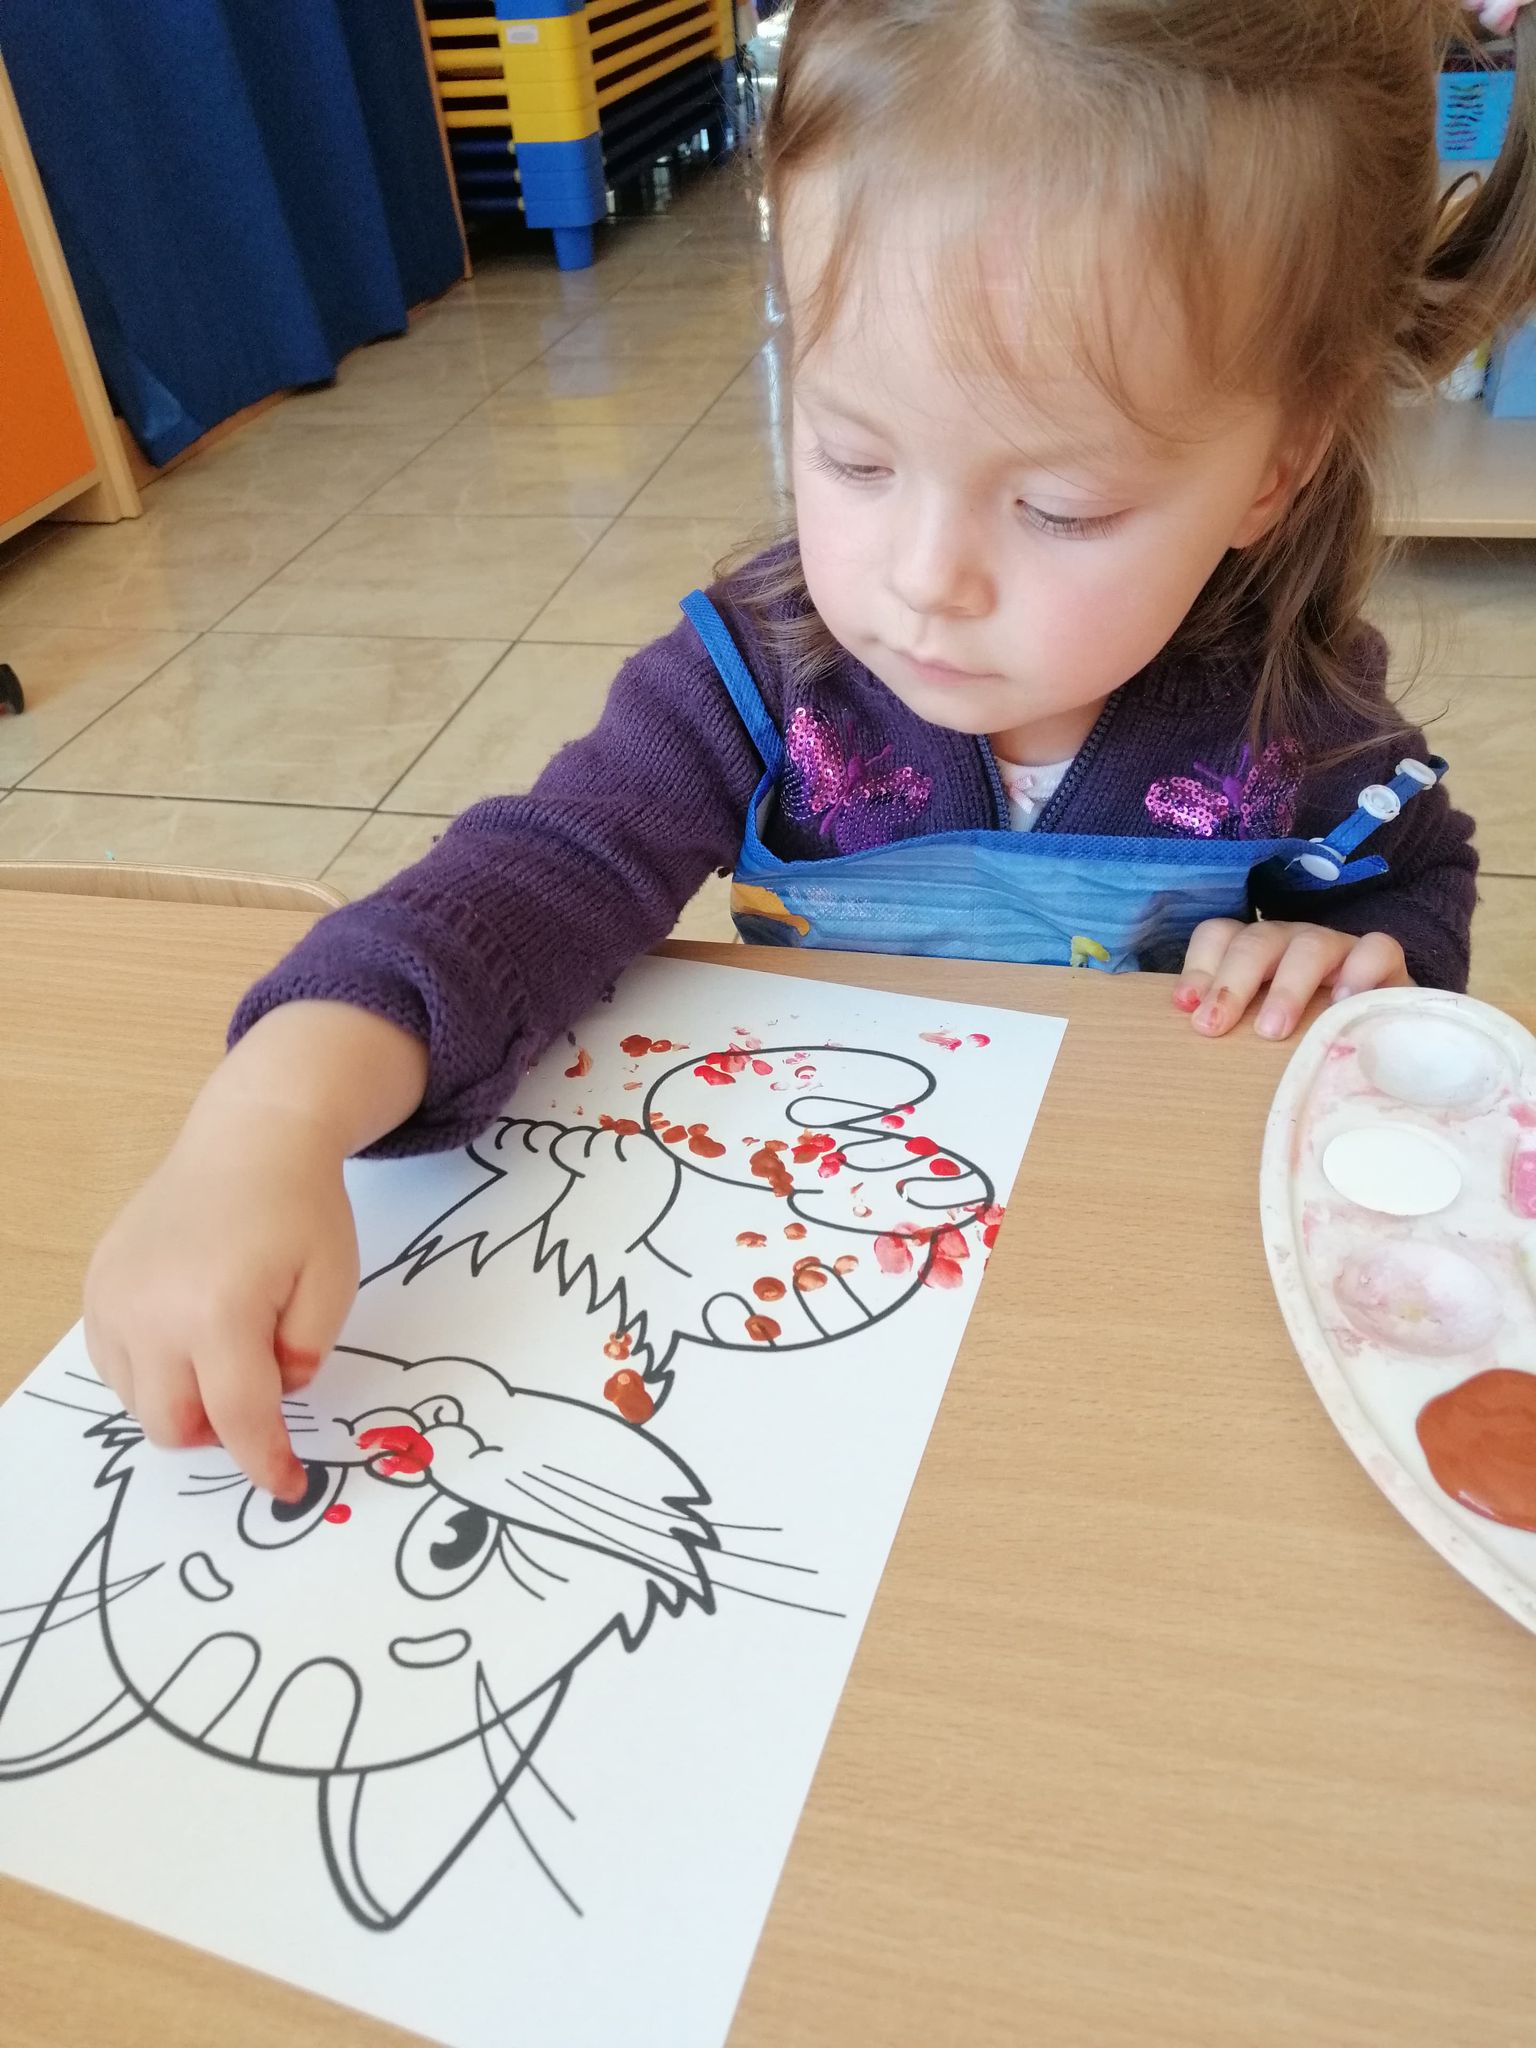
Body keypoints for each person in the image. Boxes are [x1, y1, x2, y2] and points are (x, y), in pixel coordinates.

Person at [85, 0, 1535, 1499]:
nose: (925, 578)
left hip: (1123, 1345)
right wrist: (269, 1119)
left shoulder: (1311, 737)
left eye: (1061, 507)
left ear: (1276, 468)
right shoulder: (760, 681)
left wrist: (1354, 962)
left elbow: (1417, 900)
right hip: (808, 1311)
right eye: (853, 454)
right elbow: (534, 878)